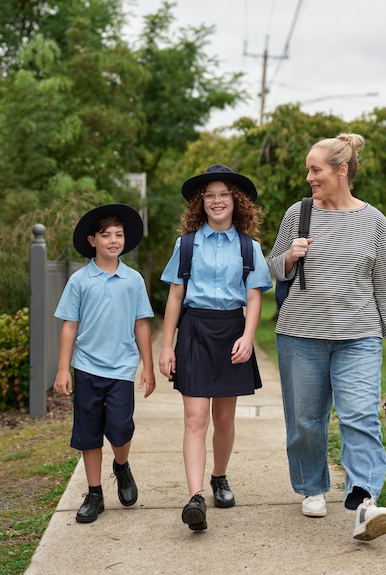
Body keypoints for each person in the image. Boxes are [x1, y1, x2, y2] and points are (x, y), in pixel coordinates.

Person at [267, 133, 386, 541]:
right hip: (300, 334)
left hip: (359, 336)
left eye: (316, 170)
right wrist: (289, 256)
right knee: (306, 421)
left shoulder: (374, 221)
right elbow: (272, 268)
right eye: (309, 170)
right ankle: (311, 487)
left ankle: (365, 502)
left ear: (341, 170)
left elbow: (385, 282)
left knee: (360, 417)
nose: (309, 177)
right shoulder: (299, 213)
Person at [159, 165, 273, 532]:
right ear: (201, 202)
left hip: (231, 332)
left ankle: (219, 477)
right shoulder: (187, 244)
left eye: (224, 194)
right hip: (194, 330)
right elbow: (175, 296)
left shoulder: (249, 247)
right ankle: (195, 498)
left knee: (223, 419)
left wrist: (248, 336)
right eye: (210, 195)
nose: (217, 200)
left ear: (235, 201)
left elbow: (254, 299)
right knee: (195, 419)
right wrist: (167, 346)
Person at [53, 203, 156, 524]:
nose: (114, 240)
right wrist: (62, 368)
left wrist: (148, 367)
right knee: (88, 432)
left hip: (122, 369)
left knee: (121, 428)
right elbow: (69, 325)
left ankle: (121, 466)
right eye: (106, 235)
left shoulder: (133, 280)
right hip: (86, 368)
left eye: (119, 235)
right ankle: (94, 493)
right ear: (92, 240)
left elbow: (142, 324)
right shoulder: (80, 280)